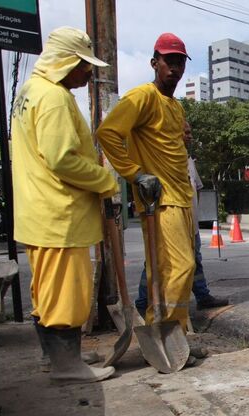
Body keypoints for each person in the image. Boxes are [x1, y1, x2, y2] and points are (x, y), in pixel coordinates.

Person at [11, 27, 118, 384]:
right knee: (66, 295)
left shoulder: (30, 91)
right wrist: (105, 181)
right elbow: (61, 159)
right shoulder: (54, 98)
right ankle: (66, 366)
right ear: (65, 62)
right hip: (59, 215)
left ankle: (56, 356)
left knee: (46, 292)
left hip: (38, 212)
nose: (88, 73)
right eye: (83, 65)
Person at [97, 33, 195, 330]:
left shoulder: (175, 106)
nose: (174, 68)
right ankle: (168, 330)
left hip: (182, 196)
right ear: (155, 63)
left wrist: (183, 139)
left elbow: (170, 143)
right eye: (169, 61)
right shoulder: (142, 96)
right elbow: (108, 133)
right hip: (161, 199)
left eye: (179, 62)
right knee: (181, 267)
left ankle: (172, 331)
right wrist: (135, 174)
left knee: (167, 270)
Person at [135, 121, 228, 314]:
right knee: (156, 262)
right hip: (169, 222)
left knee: (195, 261)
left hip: (190, 222)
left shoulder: (188, 160)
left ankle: (202, 296)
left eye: (190, 132)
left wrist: (193, 213)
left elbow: (197, 188)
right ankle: (144, 302)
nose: (190, 136)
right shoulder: (163, 160)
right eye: (186, 132)